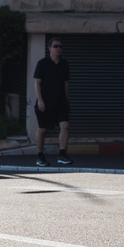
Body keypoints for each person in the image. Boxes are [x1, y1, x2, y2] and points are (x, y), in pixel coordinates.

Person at [33, 37, 73, 166]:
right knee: (42, 129)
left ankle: (62, 154)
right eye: (56, 46)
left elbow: (65, 83)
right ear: (49, 48)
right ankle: (40, 156)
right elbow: (37, 83)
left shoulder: (64, 64)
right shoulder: (42, 63)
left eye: (60, 47)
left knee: (65, 125)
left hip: (61, 102)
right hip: (45, 102)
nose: (59, 49)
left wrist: (66, 99)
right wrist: (40, 100)